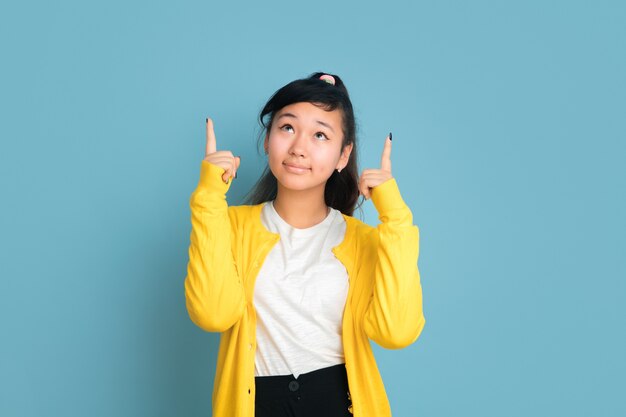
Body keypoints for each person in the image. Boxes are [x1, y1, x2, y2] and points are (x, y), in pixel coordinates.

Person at [184, 72, 425, 417]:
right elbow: (212, 314)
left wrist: (396, 218)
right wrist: (208, 198)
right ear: (268, 139)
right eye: (287, 128)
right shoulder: (230, 227)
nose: (299, 147)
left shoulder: (363, 242)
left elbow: (396, 332)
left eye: (320, 135)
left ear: (344, 155)